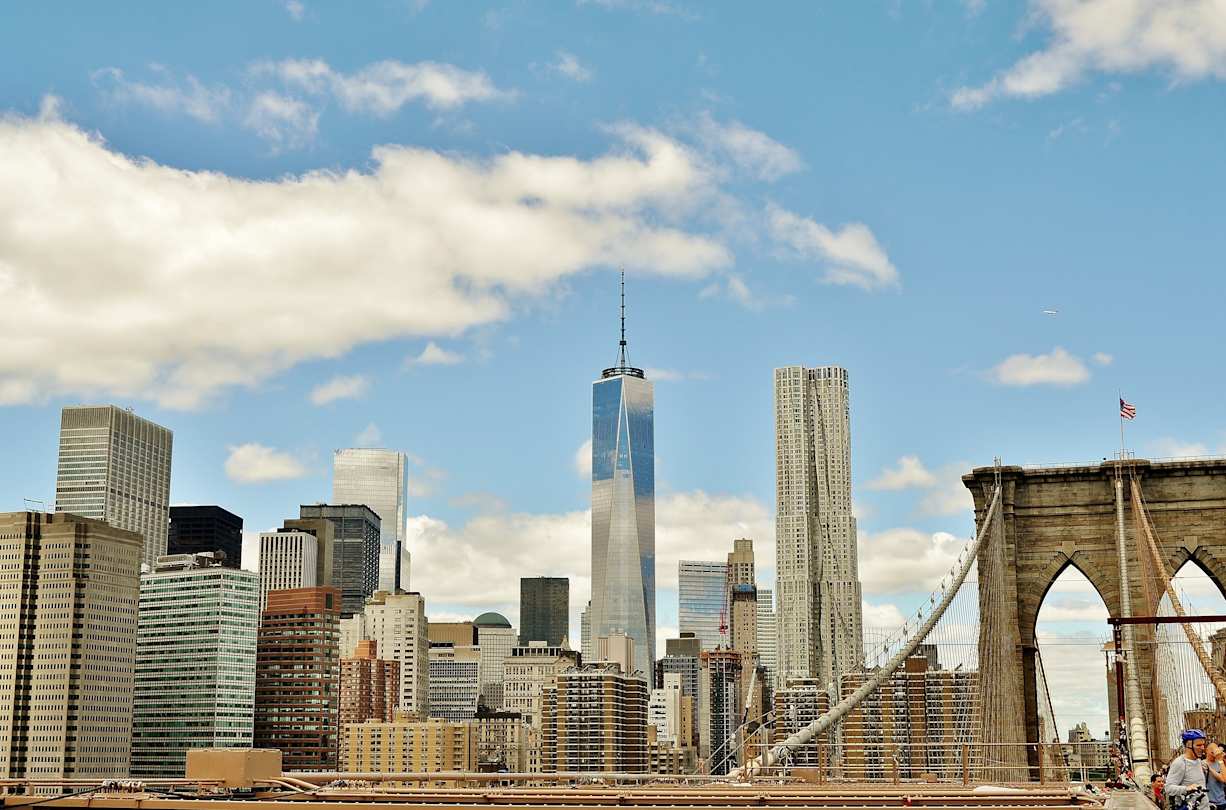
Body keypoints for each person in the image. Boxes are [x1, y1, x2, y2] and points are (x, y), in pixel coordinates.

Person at [1167, 730, 1210, 810]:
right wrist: (1186, 788)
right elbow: (1168, 788)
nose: (1203, 748)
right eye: (1199, 745)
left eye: (1203, 745)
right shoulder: (1180, 763)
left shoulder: (1198, 761)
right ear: (1188, 746)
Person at [1205, 742, 1226, 810]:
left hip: (1220, 802)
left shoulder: (1221, 763)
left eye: (1215, 749)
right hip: (1206, 802)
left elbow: (1224, 779)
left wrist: (1210, 768)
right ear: (1206, 750)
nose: (1214, 751)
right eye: (1212, 749)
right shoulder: (1201, 763)